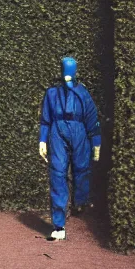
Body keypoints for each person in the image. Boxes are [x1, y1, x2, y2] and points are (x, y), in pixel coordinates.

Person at [39, 57, 101, 241]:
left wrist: (96, 142)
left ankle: (80, 201)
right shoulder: (52, 94)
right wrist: (42, 140)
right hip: (57, 131)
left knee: (82, 170)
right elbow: (45, 119)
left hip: (79, 131)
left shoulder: (83, 94)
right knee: (57, 173)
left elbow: (92, 119)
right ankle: (58, 224)